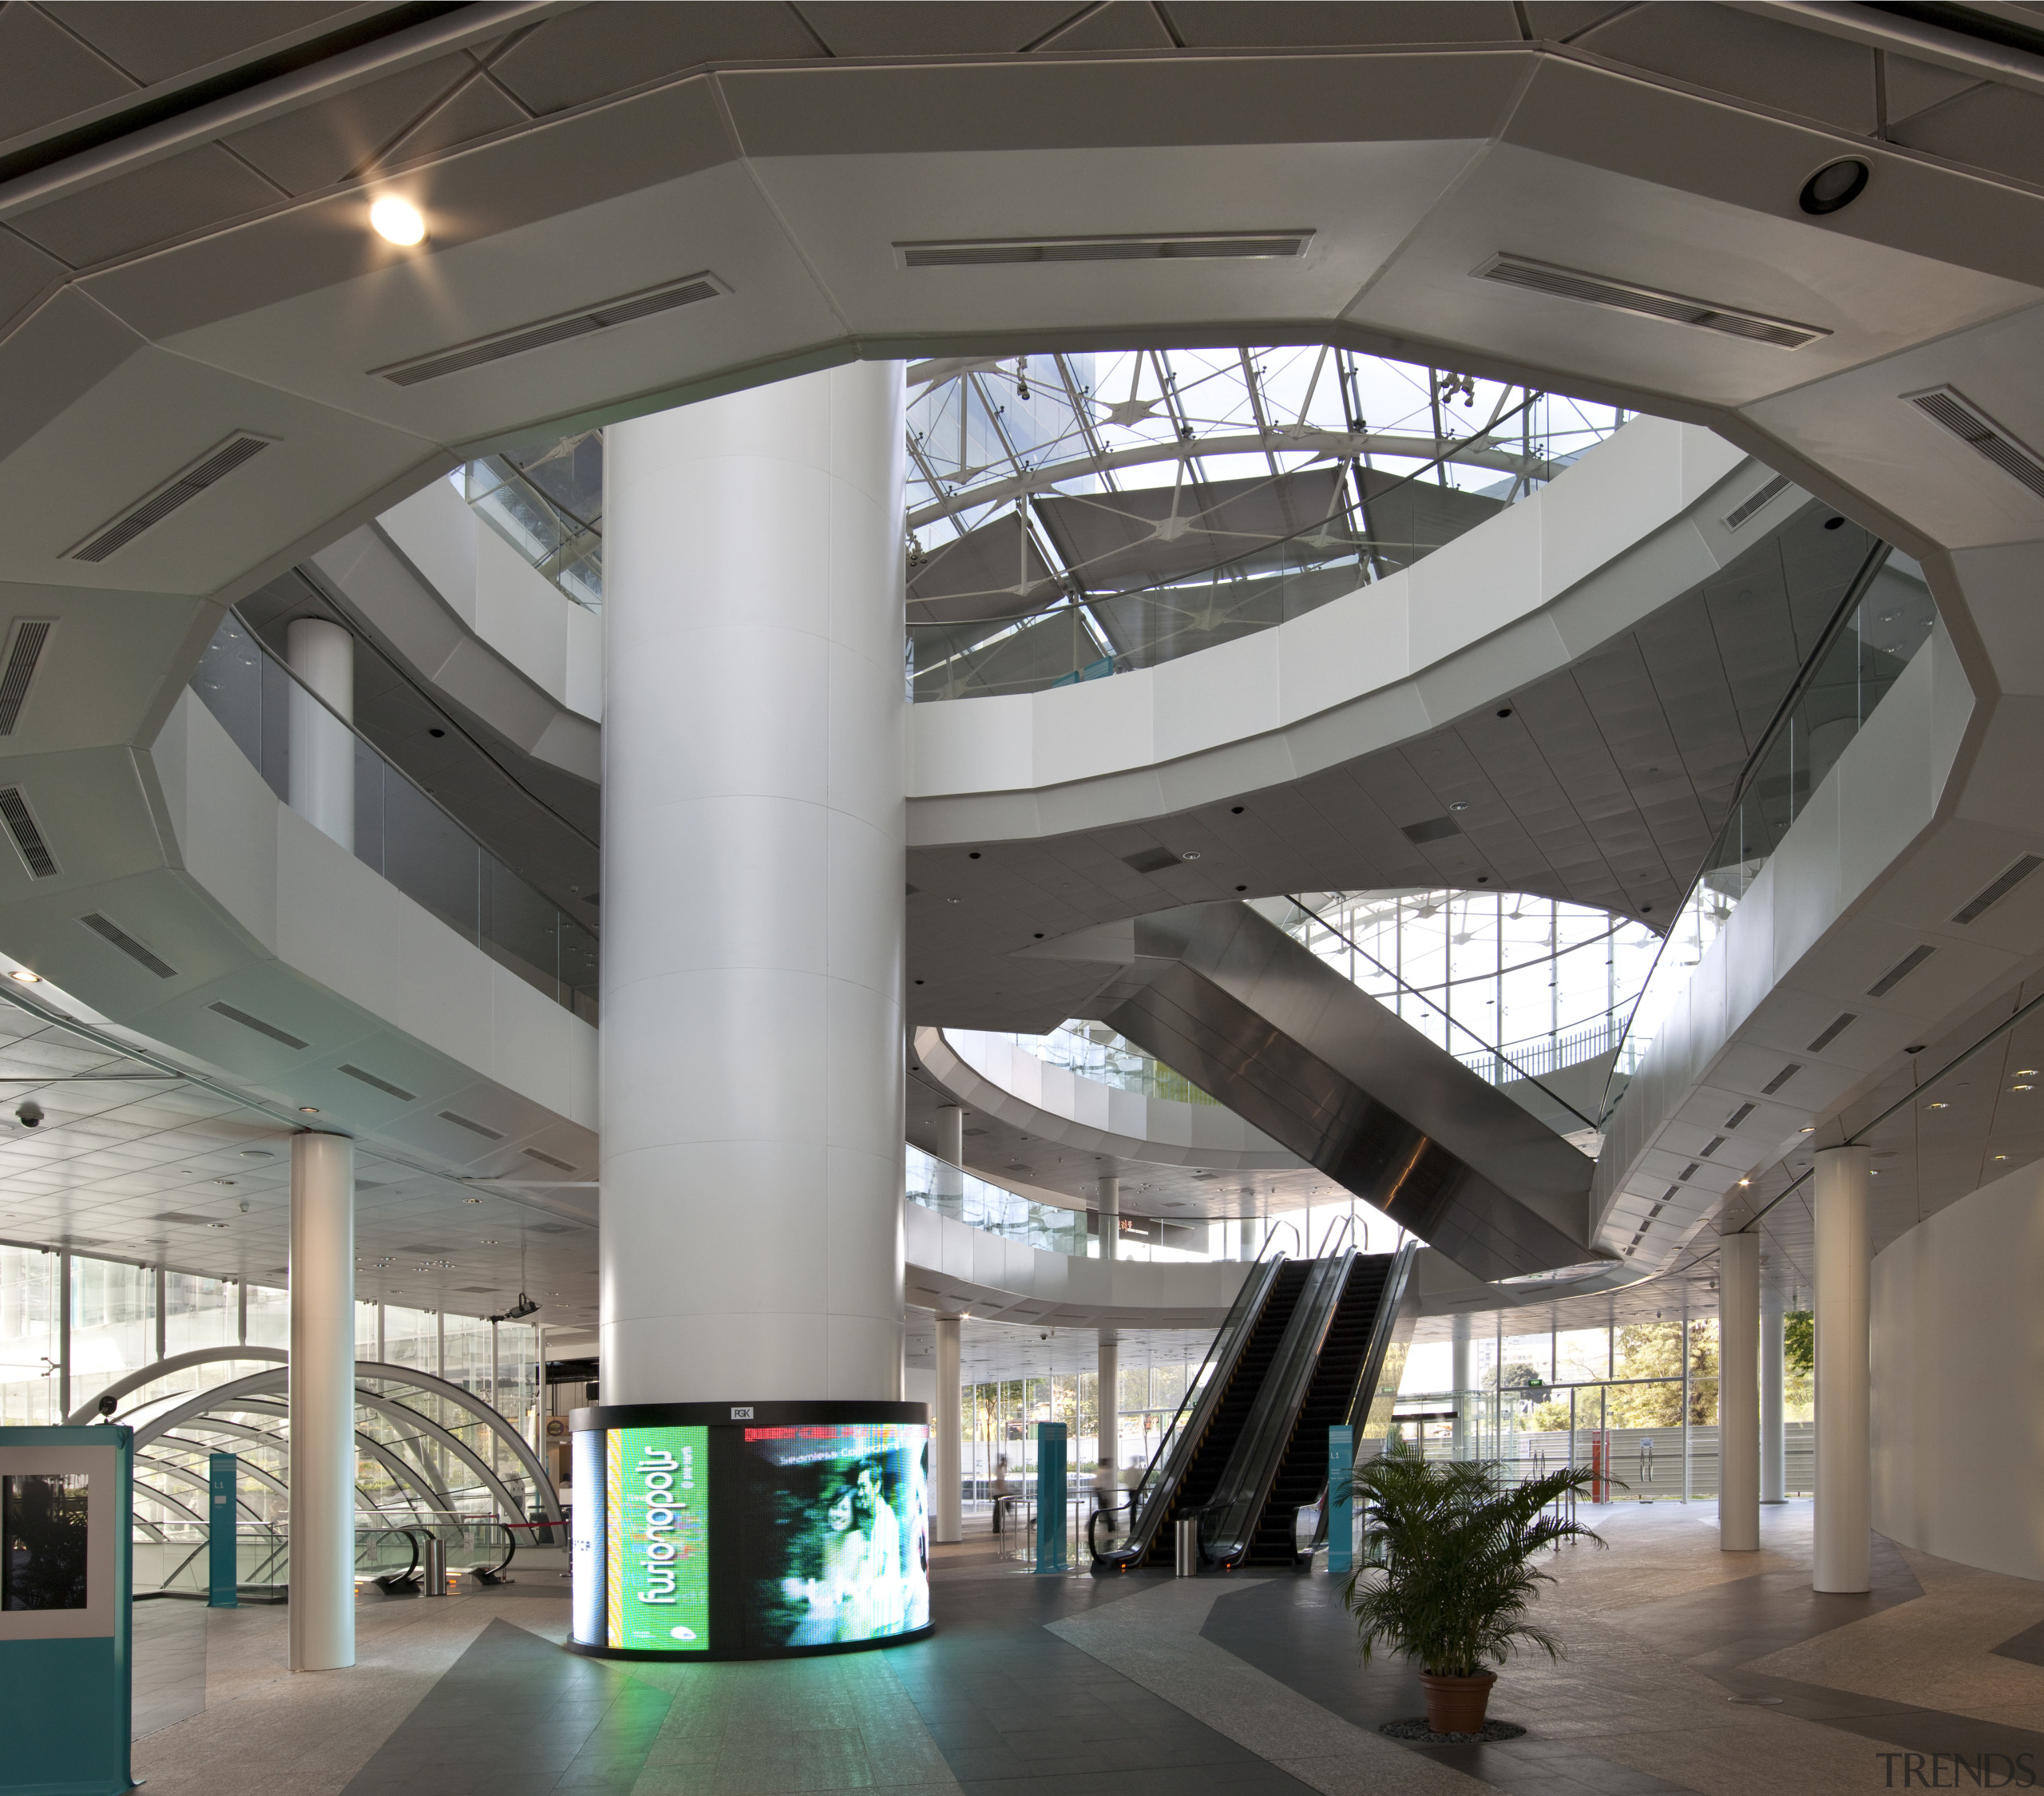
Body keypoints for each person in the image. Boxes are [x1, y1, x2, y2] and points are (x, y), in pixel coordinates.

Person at [990, 1457, 1010, 1534]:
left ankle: (996, 1527)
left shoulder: (999, 1469)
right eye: (1004, 1461)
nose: (1005, 1463)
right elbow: (999, 1482)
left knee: (998, 1511)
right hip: (999, 1494)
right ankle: (996, 1528)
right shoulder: (999, 1470)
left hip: (998, 1493)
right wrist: (1004, 1492)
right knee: (999, 1512)